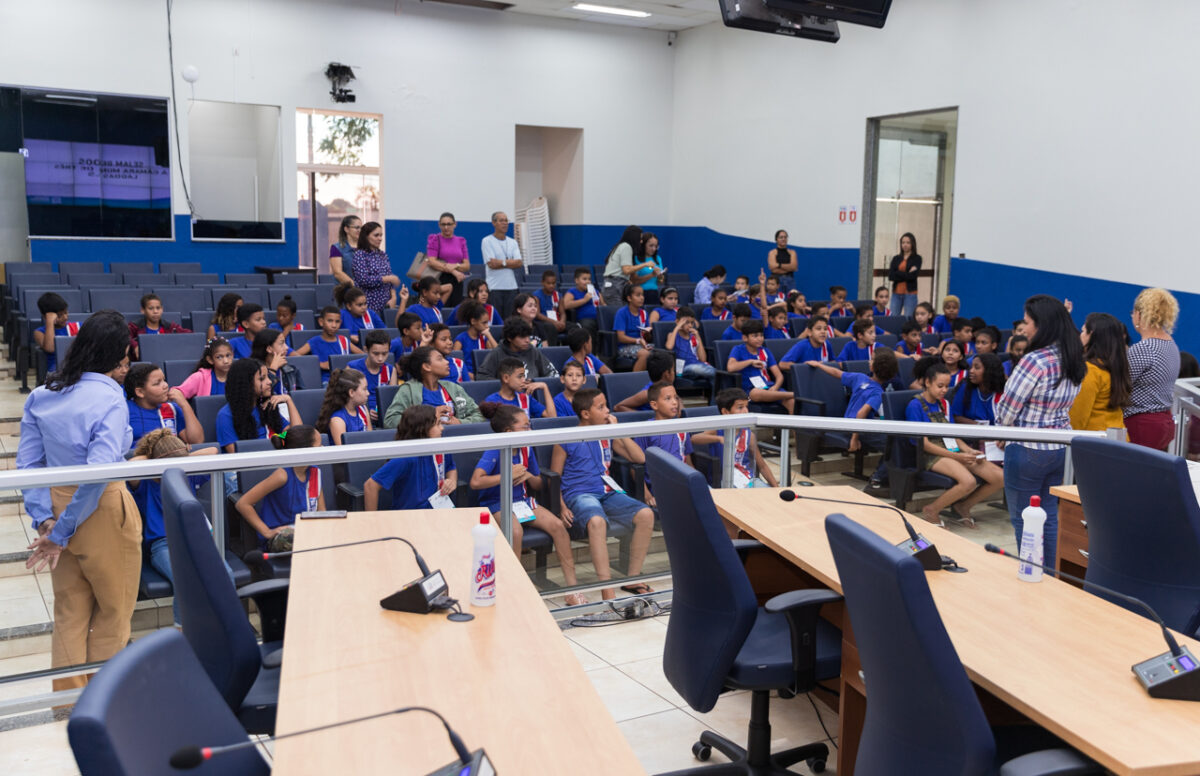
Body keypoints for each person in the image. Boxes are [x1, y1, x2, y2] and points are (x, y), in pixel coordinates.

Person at [19, 310, 140, 692]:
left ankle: (68, 703)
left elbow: (29, 466)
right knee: (114, 610)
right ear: (117, 351)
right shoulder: (109, 395)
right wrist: (62, 529)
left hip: (56, 505)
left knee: (69, 612)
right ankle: (103, 704)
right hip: (102, 507)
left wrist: (46, 522)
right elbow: (99, 471)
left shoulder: (42, 394)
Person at [995, 295, 1085, 568]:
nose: (1023, 328)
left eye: (1026, 322)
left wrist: (1003, 429)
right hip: (1059, 448)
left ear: (1041, 325)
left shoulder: (1035, 360)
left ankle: (1030, 570)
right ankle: (1048, 572)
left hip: (1028, 449)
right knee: (1047, 514)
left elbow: (1008, 408)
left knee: (1024, 518)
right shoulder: (1072, 358)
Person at [471, 403, 583, 605]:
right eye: (524, 427)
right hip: (497, 503)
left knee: (558, 526)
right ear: (508, 431)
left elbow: (539, 484)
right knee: (515, 532)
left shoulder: (527, 448)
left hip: (522, 501)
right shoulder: (494, 449)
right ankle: (514, 589)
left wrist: (529, 475)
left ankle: (572, 589)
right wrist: (505, 476)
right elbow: (476, 481)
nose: (529, 430)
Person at [551, 388, 655, 599]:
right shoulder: (565, 438)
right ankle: (606, 588)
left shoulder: (606, 434)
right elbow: (554, 477)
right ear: (585, 414)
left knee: (646, 514)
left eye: (606, 405)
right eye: (601, 407)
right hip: (579, 495)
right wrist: (560, 506)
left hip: (607, 492)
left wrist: (619, 432)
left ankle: (632, 578)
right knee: (597, 521)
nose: (608, 411)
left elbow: (640, 458)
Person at [128, 429, 214, 626]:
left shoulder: (187, 476)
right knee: (185, 581)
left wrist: (181, 455)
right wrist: (156, 456)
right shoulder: (146, 483)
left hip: (196, 539)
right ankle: (182, 632)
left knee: (223, 575)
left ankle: (218, 624)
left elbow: (212, 452)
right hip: (163, 545)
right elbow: (131, 464)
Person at [906, 363, 1005, 528]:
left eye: (947, 386)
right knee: (968, 481)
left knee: (1000, 478)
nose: (944, 390)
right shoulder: (915, 406)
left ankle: (963, 506)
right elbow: (923, 444)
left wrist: (968, 450)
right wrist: (957, 456)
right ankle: (932, 509)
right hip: (930, 453)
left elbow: (952, 434)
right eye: (940, 386)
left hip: (951, 449)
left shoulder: (944, 404)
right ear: (927, 382)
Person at [806, 347, 899, 490]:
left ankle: (883, 476)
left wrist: (819, 365)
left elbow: (837, 373)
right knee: (894, 446)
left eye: (872, 358)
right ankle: (878, 479)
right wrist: (854, 439)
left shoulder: (860, 378)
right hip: (857, 428)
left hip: (850, 424)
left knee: (892, 441)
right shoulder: (877, 392)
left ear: (873, 366)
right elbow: (861, 414)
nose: (869, 360)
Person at [235, 425, 324, 551]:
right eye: (319, 446)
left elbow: (322, 512)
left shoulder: (315, 472)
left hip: (309, 532)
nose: (324, 449)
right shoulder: (282, 475)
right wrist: (267, 532)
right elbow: (243, 504)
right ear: (304, 450)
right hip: (283, 538)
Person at [365, 405, 456, 510]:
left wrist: (451, 480)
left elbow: (451, 467)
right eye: (438, 424)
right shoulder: (405, 458)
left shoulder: (440, 448)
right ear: (423, 429)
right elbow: (370, 486)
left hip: (437, 513)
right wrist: (371, 520)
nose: (442, 428)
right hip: (409, 517)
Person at [1125, 288, 1181, 450]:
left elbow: (1121, 385)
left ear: (1139, 314)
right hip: (1163, 421)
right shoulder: (1171, 345)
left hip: (1141, 424)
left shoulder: (1144, 348)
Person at [693, 388, 778, 487]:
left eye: (746, 406)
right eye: (740, 407)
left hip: (748, 481)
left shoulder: (749, 434)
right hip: (724, 481)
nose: (745, 411)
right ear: (725, 412)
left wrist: (777, 489)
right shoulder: (718, 430)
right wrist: (719, 439)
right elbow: (694, 438)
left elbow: (762, 466)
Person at [382, 346, 484, 428]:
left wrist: (460, 422)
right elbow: (390, 421)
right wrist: (429, 417)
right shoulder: (408, 390)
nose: (447, 362)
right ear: (426, 366)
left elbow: (479, 415)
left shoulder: (454, 388)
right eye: (440, 359)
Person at [216, 358, 299, 453]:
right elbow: (236, 455)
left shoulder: (267, 406)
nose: (270, 382)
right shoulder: (226, 415)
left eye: (268, 376)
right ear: (247, 384)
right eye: (262, 379)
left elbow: (298, 437)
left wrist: (288, 400)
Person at [1069, 312, 1131, 433]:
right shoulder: (1116, 367)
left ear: (1091, 334)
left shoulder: (1090, 370)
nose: (1080, 336)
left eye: (1083, 331)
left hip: (1093, 442)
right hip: (1115, 437)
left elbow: (1078, 418)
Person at [632, 382, 692, 505]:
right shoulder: (646, 429)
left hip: (685, 482)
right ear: (654, 405)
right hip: (662, 487)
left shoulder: (682, 427)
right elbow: (635, 468)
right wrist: (647, 495)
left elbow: (688, 462)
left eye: (676, 397)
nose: (675, 402)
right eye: (668, 398)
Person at [124, 363, 203, 445]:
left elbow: (197, 441)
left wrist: (184, 405)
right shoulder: (125, 410)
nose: (165, 385)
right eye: (157, 383)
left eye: (164, 380)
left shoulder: (172, 408)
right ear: (140, 392)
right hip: (140, 456)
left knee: (212, 450)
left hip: (170, 455)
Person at [727, 320, 794, 413]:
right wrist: (750, 362)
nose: (759, 339)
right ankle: (794, 394)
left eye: (761, 335)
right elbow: (730, 367)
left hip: (768, 386)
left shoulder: (765, 351)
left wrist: (774, 387)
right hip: (750, 389)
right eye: (755, 336)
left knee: (791, 401)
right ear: (745, 338)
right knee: (755, 394)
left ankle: (791, 427)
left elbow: (779, 376)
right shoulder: (738, 349)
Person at [474, 317, 559, 381]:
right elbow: (482, 377)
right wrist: (506, 385)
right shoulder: (497, 353)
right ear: (510, 338)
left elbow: (552, 373)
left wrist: (536, 383)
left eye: (528, 336)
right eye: (522, 337)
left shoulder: (533, 351)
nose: (527, 340)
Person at [294, 306, 362, 383]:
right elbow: (295, 357)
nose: (334, 325)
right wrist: (318, 364)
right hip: (327, 381)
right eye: (330, 321)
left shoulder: (344, 340)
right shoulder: (314, 341)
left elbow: (362, 356)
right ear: (321, 322)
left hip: (346, 380)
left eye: (337, 321)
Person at [347, 330, 397, 424]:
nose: (380, 358)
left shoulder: (390, 370)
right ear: (366, 350)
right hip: (358, 415)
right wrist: (365, 411)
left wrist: (383, 412)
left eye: (384, 353)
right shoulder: (352, 368)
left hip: (384, 417)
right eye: (376, 353)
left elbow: (391, 399)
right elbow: (346, 397)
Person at [353, 221, 401, 312]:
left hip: (386, 304)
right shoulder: (360, 255)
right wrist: (387, 278)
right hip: (367, 305)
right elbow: (364, 280)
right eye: (376, 235)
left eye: (381, 235)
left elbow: (390, 279)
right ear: (366, 236)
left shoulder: (383, 254)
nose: (380, 238)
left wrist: (393, 297)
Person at [486, 357, 556, 419]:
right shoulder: (492, 401)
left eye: (524, 376)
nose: (523, 380)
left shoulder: (525, 398)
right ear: (506, 378)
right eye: (520, 377)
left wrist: (544, 387)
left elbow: (552, 417)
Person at [316, 368, 372, 445]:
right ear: (351, 392)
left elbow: (371, 439)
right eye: (364, 389)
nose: (368, 393)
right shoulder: (337, 420)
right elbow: (344, 453)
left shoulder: (363, 408)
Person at [481, 210, 522, 317]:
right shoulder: (487, 241)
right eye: (501, 220)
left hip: (511, 287)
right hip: (494, 288)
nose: (505, 223)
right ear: (494, 223)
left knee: (511, 320)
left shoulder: (513, 242)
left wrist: (502, 262)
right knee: (495, 320)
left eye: (506, 220)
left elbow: (518, 263)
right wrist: (509, 262)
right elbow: (492, 264)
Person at [424, 212, 470, 306]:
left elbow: (466, 265)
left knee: (455, 311)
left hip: (457, 281)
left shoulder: (461, 241)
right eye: (443, 224)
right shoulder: (435, 239)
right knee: (439, 308)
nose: (446, 227)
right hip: (439, 280)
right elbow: (432, 261)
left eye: (449, 224)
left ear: (455, 224)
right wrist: (454, 271)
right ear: (439, 225)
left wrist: (455, 266)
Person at [127, 292, 190, 359]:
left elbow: (189, 334)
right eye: (151, 308)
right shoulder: (135, 326)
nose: (155, 311)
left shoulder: (169, 326)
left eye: (158, 308)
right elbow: (125, 336)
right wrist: (135, 345)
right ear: (143, 310)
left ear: (162, 309)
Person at [667, 306, 716, 387]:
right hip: (683, 369)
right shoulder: (672, 335)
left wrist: (698, 336)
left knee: (711, 376)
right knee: (697, 368)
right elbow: (669, 347)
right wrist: (677, 328)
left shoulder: (693, 337)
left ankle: (714, 399)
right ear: (678, 322)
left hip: (698, 366)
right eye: (686, 322)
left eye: (692, 323)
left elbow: (703, 359)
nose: (690, 325)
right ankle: (717, 373)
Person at [600, 224, 647, 307]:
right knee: (618, 314)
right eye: (640, 239)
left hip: (616, 285)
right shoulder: (626, 247)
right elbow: (626, 270)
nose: (641, 241)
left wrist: (626, 279)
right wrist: (645, 264)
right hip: (614, 286)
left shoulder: (620, 246)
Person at [33, 292, 79, 376]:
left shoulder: (76, 326)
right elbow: (50, 348)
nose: (65, 317)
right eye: (60, 315)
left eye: (66, 312)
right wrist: (50, 322)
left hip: (77, 366)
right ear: (46, 316)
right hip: (56, 371)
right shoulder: (39, 332)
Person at [453, 301, 497, 379]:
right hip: (467, 377)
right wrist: (472, 377)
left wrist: (489, 335)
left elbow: (497, 353)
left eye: (487, 323)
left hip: (483, 375)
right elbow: (457, 365)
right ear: (473, 321)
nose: (487, 326)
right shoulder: (461, 339)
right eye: (484, 323)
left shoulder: (484, 338)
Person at [614, 284, 652, 371]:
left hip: (642, 344)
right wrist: (638, 340)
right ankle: (635, 382)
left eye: (642, 295)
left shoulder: (644, 313)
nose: (642, 298)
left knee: (661, 353)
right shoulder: (621, 313)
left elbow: (648, 338)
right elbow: (621, 337)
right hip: (625, 347)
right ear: (629, 298)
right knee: (645, 354)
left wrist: (648, 334)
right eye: (638, 295)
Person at [252, 328, 302, 395]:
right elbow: (261, 397)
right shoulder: (254, 372)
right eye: (281, 343)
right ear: (269, 349)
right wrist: (273, 370)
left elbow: (301, 397)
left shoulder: (292, 370)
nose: (287, 347)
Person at [563, 267, 602, 345]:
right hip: (585, 319)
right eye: (584, 279)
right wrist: (584, 300)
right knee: (589, 325)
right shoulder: (572, 292)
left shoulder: (594, 291)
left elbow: (603, 304)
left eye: (589, 279)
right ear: (576, 280)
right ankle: (591, 353)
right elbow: (565, 305)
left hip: (599, 318)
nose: (588, 281)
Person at [887, 232, 922, 317]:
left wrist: (898, 273)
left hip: (910, 293)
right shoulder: (896, 258)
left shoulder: (917, 258)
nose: (905, 245)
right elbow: (891, 276)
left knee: (908, 318)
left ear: (912, 244)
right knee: (893, 318)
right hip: (896, 293)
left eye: (908, 242)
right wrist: (906, 273)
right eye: (903, 242)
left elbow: (913, 276)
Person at [329, 215, 362, 285]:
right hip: (345, 291)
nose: (360, 230)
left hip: (366, 291)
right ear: (346, 229)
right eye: (357, 228)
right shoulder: (336, 248)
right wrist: (356, 287)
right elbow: (338, 273)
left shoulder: (365, 247)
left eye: (361, 228)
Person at [533, 269, 566, 335]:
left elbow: (563, 313)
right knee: (550, 327)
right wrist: (554, 322)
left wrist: (562, 322)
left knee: (574, 327)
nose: (551, 286)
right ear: (542, 282)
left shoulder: (558, 295)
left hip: (557, 320)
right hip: (543, 322)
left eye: (553, 283)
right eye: (548, 283)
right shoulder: (536, 295)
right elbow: (537, 315)